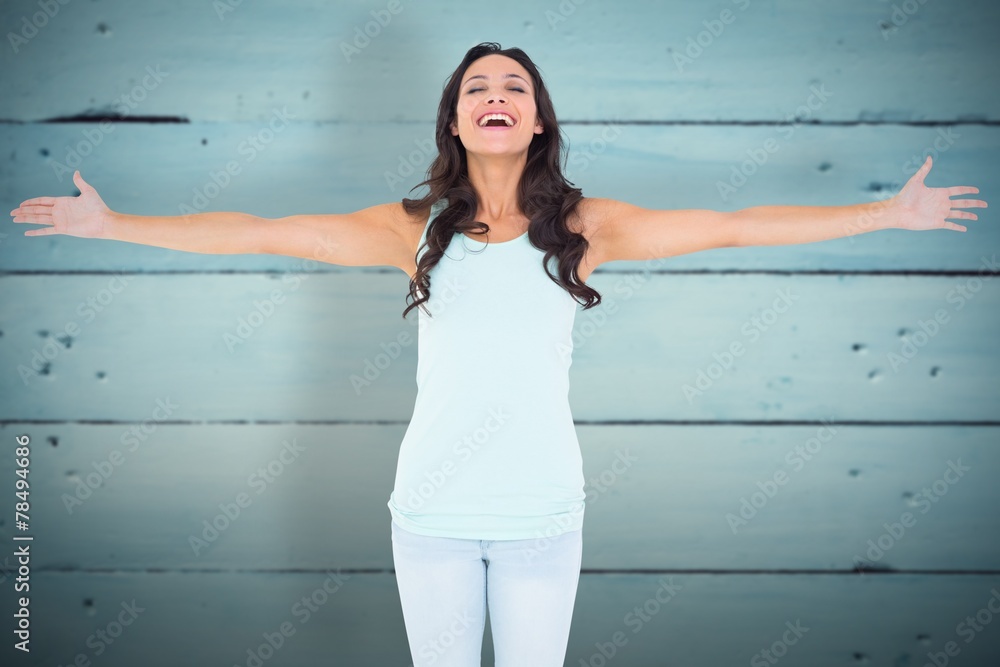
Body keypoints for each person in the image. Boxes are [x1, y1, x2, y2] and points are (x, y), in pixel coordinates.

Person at [10, 41, 987, 667]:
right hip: (428, 512)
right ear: (453, 119)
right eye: (476, 85)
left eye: (514, 86)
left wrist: (883, 212)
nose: (495, 95)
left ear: (537, 120)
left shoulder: (587, 226)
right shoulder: (412, 227)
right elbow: (265, 230)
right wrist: (113, 225)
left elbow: (733, 224)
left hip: (540, 517)